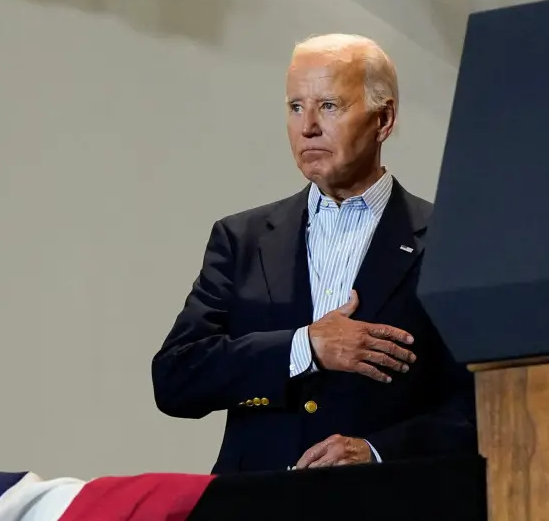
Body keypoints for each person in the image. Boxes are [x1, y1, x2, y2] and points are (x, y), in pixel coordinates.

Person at [152, 34, 475, 474]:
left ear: (384, 120)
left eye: (329, 106)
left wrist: (379, 452)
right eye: (295, 107)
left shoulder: (450, 240)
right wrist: (305, 345)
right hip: (255, 505)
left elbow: (481, 407)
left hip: (384, 503)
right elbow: (176, 378)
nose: (307, 127)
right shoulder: (241, 239)